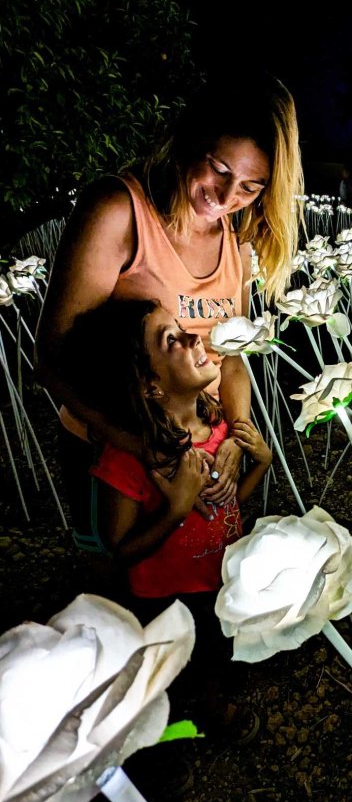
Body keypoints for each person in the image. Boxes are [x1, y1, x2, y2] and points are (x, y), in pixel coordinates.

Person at [35, 74, 303, 550]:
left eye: (249, 188)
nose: (225, 199)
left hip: (201, 450)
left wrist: (233, 440)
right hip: (115, 454)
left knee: (199, 574)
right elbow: (53, 354)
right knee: (119, 597)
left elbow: (232, 357)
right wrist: (144, 449)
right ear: (191, 138)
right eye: (218, 169)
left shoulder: (234, 242)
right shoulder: (118, 211)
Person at [64, 296, 272, 721]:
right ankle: (172, 723)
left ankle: (214, 704)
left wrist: (262, 464)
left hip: (217, 577)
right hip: (165, 597)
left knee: (214, 649)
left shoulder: (216, 427)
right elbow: (119, 549)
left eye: (181, 327)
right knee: (173, 663)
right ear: (149, 384)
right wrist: (175, 508)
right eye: (171, 339)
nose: (195, 335)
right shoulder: (127, 459)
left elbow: (225, 508)